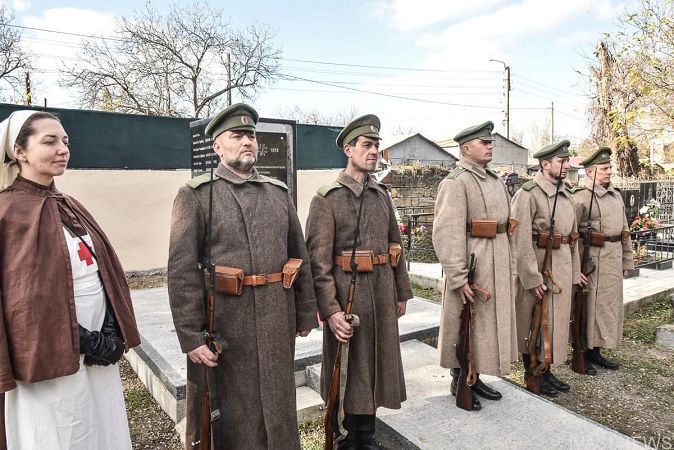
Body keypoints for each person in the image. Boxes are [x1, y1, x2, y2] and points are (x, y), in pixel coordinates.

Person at [167, 103, 317, 449]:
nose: (247, 141)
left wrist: (305, 310)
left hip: (276, 316)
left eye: (251, 135)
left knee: (279, 402)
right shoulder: (197, 195)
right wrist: (191, 336)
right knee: (235, 411)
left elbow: (300, 255)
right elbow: (181, 270)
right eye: (237, 135)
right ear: (218, 146)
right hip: (226, 321)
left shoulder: (278, 193)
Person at [0, 110, 140, 449]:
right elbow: (20, 298)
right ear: (19, 151)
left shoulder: (69, 204)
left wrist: (110, 330)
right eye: (49, 141)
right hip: (47, 358)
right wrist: (81, 339)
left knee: (102, 427)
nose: (63, 148)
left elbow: (103, 272)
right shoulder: (6, 213)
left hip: (97, 355)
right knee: (62, 434)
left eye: (65, 141)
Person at [305, 114, 413, 448]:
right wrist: (331, 310)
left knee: (377, 368)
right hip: (348, 298)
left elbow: (395, 246)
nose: (374, 152)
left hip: (381, 293)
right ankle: (347, 436)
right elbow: (317, 263)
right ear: (348, 149)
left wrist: (401, 292)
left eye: (377, 145)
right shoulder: (328, 198)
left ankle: (367, 435)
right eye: (367, 145)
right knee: (350, 370)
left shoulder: (381, 194)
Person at [432, 121, 518, 411]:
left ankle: (476, 376)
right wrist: (457, 277)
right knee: (464, 324)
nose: (490, 145)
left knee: (482, 326)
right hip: (473, 266)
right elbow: (446, 232)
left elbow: (507, 226)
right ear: (466, 148)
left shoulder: (493, 179)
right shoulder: (456, 182)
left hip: (496, 261)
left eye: (490, 142)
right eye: (484, 142)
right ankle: (460, 379)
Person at [511, 140, 583, 397]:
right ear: (544, 164)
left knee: (553, 325)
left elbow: (572, 238)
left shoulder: (567, 194)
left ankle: (547, 369)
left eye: (566, 161)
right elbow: (519, 239)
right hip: (539, 269)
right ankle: (533, 372)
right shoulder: (527, 194)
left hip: (560, 268)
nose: (566, 166)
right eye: (561, 161)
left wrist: (574, 273)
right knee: (534, 323)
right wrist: (531, 277)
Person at [573, 147, 634, 373]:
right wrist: (574, 266)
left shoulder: (616, 195)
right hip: (592, 261)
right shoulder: (580, 197)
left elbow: (624, 231)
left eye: (610, 167)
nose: (609, 171)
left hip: (613, 257)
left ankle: (597, 350)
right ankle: (583, 352)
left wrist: (627, 260)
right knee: (589, 308)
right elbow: (572, 235)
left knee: (608, 307)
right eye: (604, 168)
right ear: (590, 171)